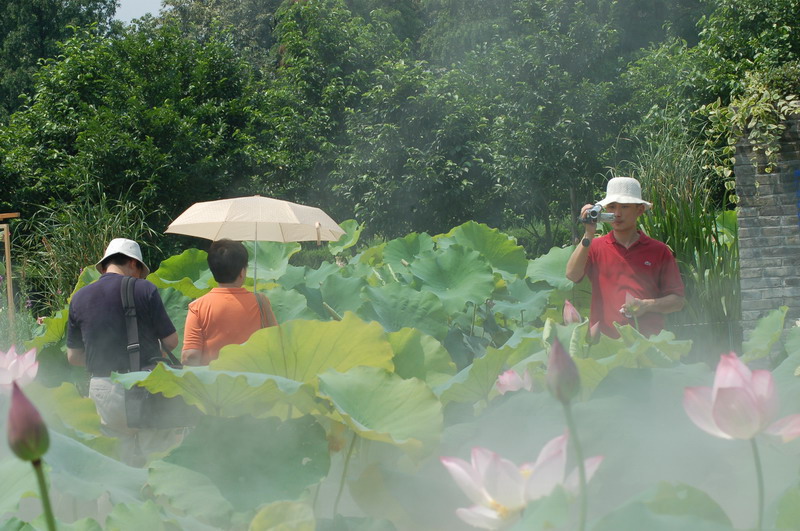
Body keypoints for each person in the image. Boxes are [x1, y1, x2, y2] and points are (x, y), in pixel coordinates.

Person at [67, 238, 182, 466]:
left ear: (104, 266)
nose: (139, 277)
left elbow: (73, 357)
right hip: (146, 384)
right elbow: (171, 340)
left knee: (114, 466)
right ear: (132, 263)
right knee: (159, 462)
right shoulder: (144, 289)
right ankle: (155, 501)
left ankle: (117, 502)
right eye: (140, 271)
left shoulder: (79, 297)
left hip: (103, 391)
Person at [566, 177, 685, 338]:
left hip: (648, 345)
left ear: (640, 210)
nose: (617, 213)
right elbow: (572, 275)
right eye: (612, 206)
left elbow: (677, 301)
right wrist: (588, 233)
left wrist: (646, 305)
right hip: (606, 346)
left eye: (624, 206)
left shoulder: (659, 250)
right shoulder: (594, 247)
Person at [182, 239, 277, 366]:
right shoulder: (261, 302)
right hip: (254, 381)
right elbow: (276, 343)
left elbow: (190, 356)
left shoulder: (197, 307)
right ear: (242, 272)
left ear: (212, 270)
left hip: (213, 383)